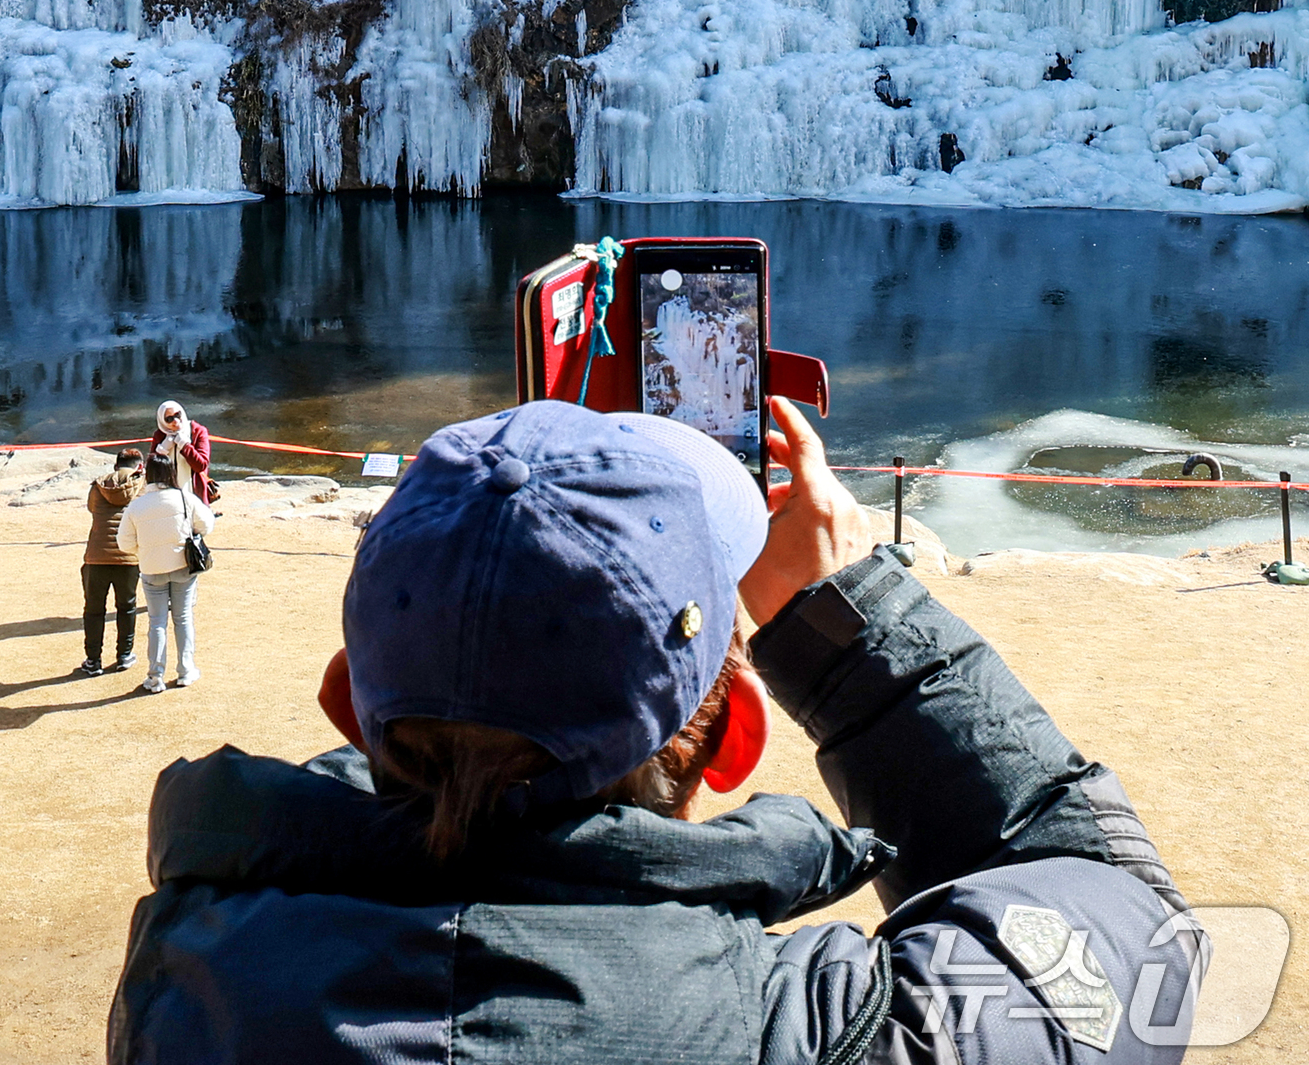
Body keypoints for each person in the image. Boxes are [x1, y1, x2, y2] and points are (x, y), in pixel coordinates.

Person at [109, 398, 1204, 1064]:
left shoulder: (193, 972)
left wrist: (451, 685)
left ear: (345, 704)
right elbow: (1128, 919)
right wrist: (845, 622)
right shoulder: (838, 1033)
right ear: (734, 739)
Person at [117, 454, 216, 695]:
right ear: (171, 472)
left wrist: (145, 549)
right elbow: (207, 525)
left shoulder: (136, 506)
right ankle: (185, 670)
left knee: (157, 622)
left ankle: (155, 676)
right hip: (183, 567)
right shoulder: (184, 497)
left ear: (148, 475)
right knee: (183, 618)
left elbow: (124, 544)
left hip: (152, 570)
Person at [77, 446, 145, 677]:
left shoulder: (98, 485)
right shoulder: (142, 486)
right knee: (127, 607)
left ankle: (93, 660)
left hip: (96, 555)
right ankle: (124, 655)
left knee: (93, 610)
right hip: (129, 556)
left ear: (116, 465)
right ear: (140, 466)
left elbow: (92, 509)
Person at [149, 401, 218, 505]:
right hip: (167, 495)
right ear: (162, 421)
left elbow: (201, 465)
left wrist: (185, 446)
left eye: (178, 415)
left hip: (194, 493)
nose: (176, 421)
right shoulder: (160, 435)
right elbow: (151, 469)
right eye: (169, 419)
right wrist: (161, 451)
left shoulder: (198, 431)